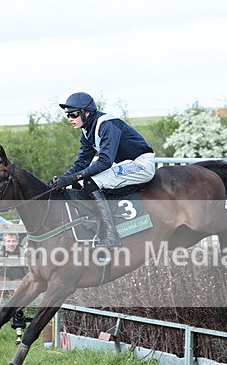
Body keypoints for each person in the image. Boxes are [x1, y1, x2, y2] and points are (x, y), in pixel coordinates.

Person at [51, 92, 156, 248]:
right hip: (124, 164)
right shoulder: (86, 131)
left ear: (86, 113)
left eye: (73, 114)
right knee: (78, 183)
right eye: (67, 115)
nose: (70, 119)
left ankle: (112, 235)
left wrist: (74, 177)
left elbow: (105, 161)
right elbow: (82, 162)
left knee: (91, 181)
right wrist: (62, 180)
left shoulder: (107, 124)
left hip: (141, 164)